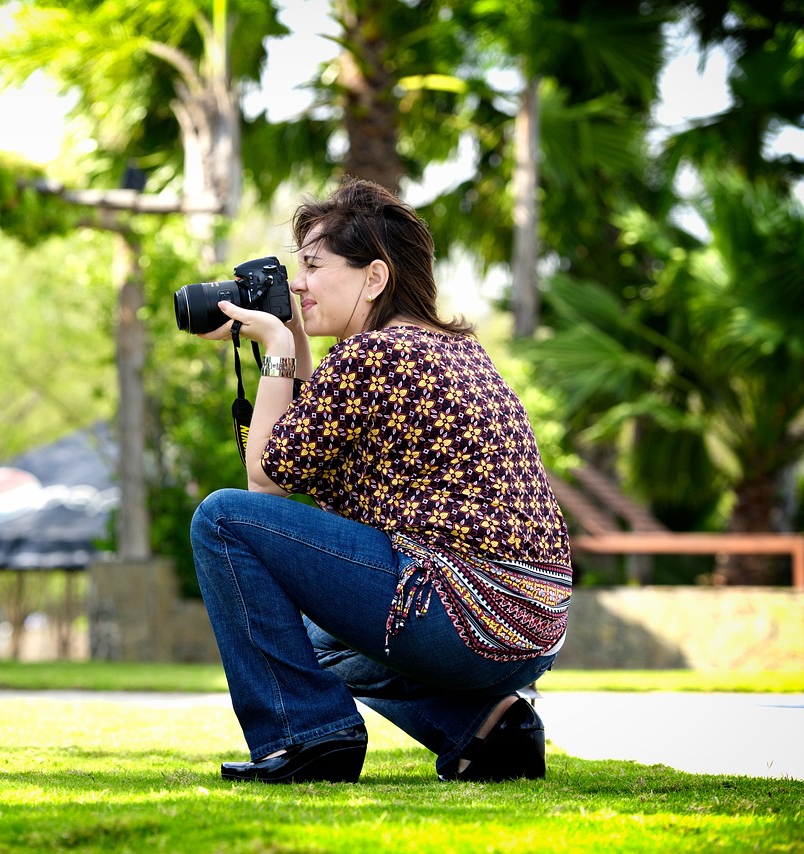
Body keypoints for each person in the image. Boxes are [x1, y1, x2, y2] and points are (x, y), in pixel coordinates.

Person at [190, 177, 572, 784]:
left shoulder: (374, 356)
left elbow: (263, 484)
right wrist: (287, 335)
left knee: (221, 519)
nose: (298, 285)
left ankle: (308, 736)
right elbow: (306, 449)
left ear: (374, 277)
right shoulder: (446, 350)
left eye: (314, 267)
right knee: (311, 636)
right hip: (531, 626)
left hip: (460, 612)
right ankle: (484, 727)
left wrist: (276, 350)